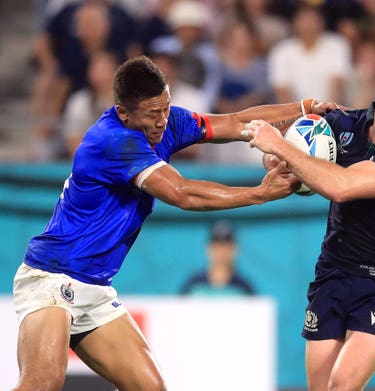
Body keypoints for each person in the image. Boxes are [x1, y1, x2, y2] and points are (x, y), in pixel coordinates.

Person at [11, 55, 330, 391]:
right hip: (51, 278)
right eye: (153, 114)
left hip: (94, 287)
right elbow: (182, 194)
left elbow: (237, 122)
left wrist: (303, 107)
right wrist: (260, 193)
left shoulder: (164, 122)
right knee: (43, 382)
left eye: (166, 107)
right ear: (124, 113)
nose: (163, 121)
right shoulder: (113, 142)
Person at [243, 62, 375, 391]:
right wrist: (277, 159)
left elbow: (342, 187)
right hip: (333, 274)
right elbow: (288, 153)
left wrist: (280, 146)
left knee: (342, 384)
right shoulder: (344, 123)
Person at [180, 221, 256, 296]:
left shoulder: (244, 288)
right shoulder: (193, 285)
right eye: (217, 245)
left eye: (227, 246)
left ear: (235, 249)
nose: (222, 250)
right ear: (208, 248)